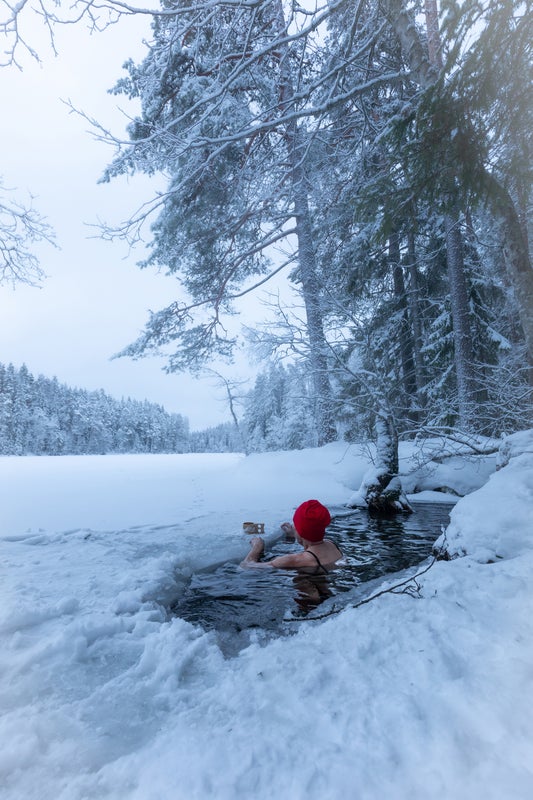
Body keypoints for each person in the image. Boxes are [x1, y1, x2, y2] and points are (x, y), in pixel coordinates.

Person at [240, 499, 343, 574]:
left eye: (295, 525)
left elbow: (246, 566)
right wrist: (292, 535)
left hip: (307, 602)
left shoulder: (294, 560)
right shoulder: (332, 545)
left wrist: (257, 547)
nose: (293, 526)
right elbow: (311, 533)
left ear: (301, 531)